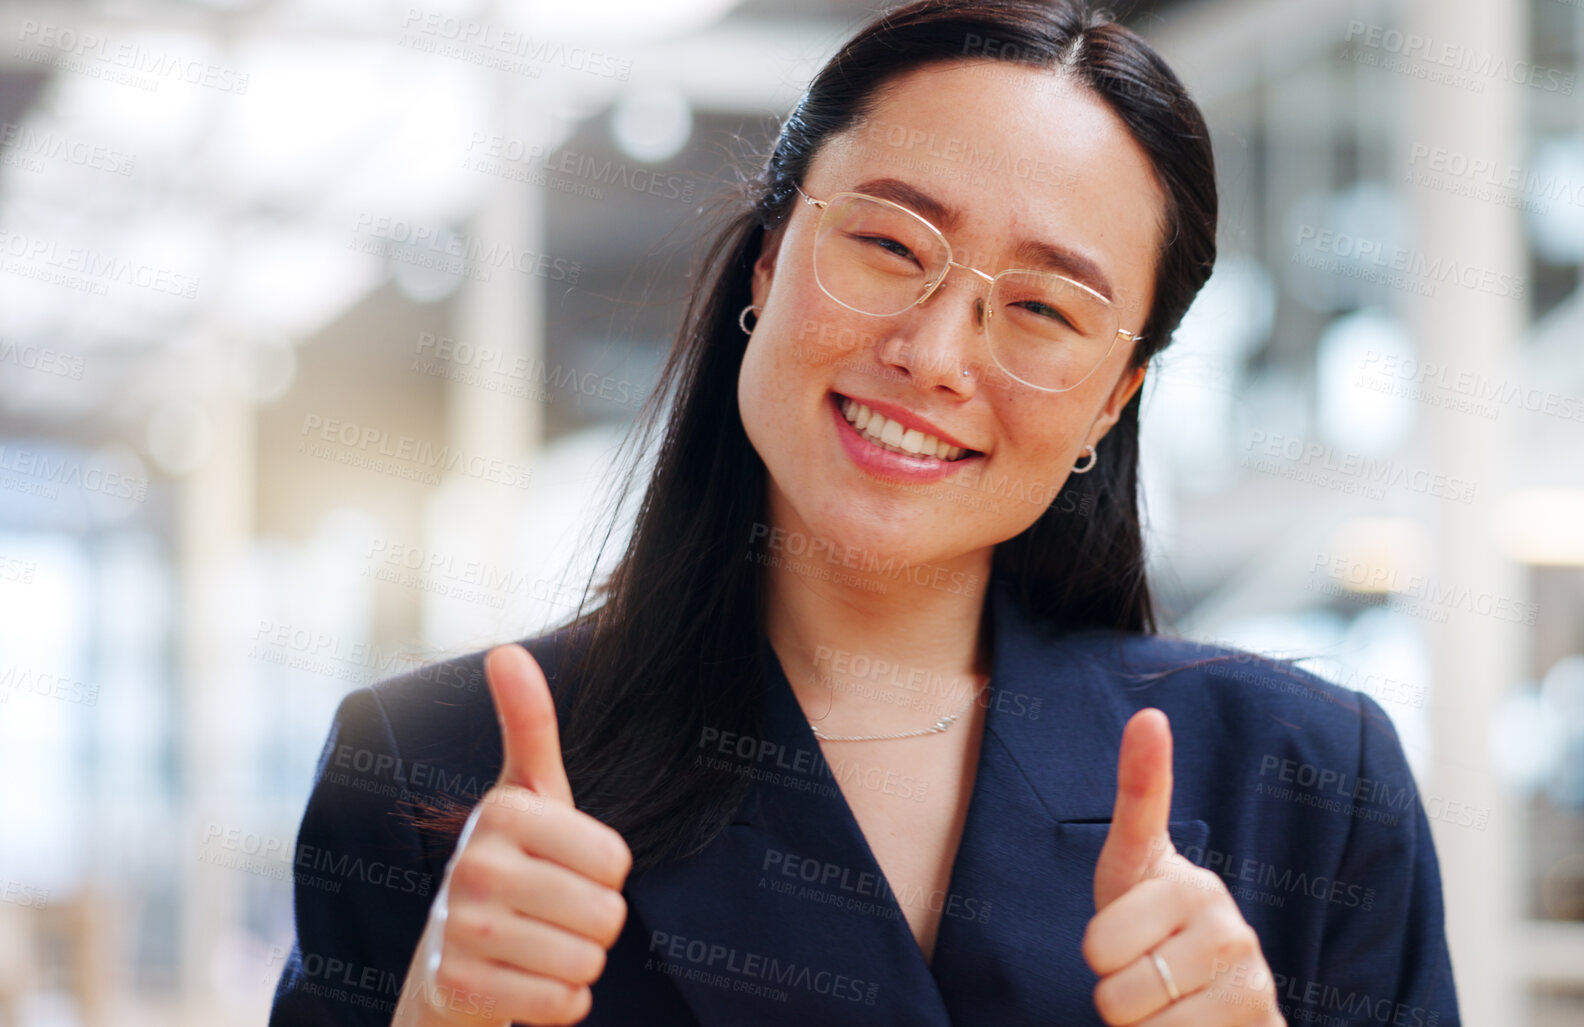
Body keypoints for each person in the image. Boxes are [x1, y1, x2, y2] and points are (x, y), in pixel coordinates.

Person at [268, 1, 1461, 1024]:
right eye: (892, 243)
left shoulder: (1305, 790)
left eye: (1044, 310)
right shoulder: (434, 766)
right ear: (770, 261)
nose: (936, 355)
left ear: (1114, 399)